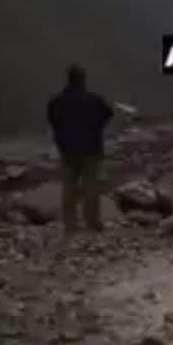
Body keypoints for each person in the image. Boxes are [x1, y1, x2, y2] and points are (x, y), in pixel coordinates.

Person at [46, 65, 114, 233]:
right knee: (91, 187)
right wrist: (96, 128)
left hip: (67, 150)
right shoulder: (94, 100)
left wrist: (61, 136)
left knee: (69, 189)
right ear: (83, 79)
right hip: (91, 149)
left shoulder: (56, 101)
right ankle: (93, 223)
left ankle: (70, 225)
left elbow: (52, 120)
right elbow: (108, 114)